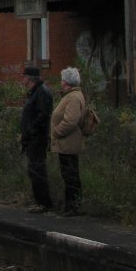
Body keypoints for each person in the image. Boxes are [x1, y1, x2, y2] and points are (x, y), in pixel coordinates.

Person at [51, 67, 87, 217]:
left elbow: (71, 120)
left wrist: (57, 131)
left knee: (70, 174)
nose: (60, 82)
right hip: (66, 143)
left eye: (62, 79)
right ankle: (71, 205)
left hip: (68, 142)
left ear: (66, 82)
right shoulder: (71, 95)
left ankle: (73, 206)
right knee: (69, 173)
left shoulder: (73, 97)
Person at [20, 66, 54, 213]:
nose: (22, 79)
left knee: (37, 169)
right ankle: (40, 201)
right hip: (32, 138)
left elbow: (42, 116)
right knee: (34, 170)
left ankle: (43, 203)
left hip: (37, 139)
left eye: (24, 76)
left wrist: (30, 131)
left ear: (29, 78)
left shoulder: (41, 93)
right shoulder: (35, 92)